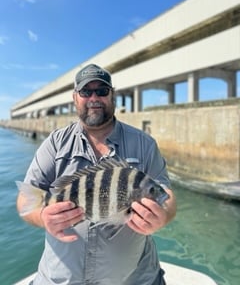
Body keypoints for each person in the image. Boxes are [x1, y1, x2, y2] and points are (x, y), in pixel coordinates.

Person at [17, 63, 176, 285]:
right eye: (85, 91)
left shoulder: (144, 144)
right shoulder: (55, 143)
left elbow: (165, 194)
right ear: (75, 98)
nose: (94, 97)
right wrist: (43, 216)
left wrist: (162, 216)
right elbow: (25, 200)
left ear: (112, 95)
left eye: (101, 91)